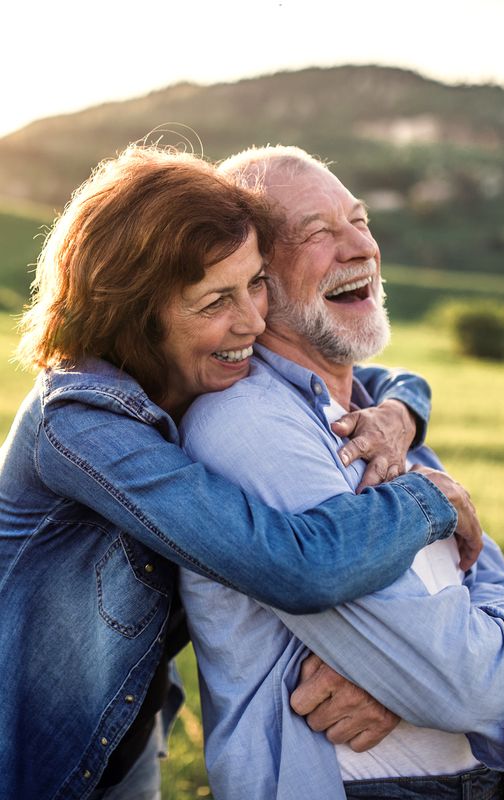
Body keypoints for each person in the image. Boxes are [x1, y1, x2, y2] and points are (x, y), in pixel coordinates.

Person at [0, 144, 475, 800]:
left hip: (124, 741)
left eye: (253, 281)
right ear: (137, 314)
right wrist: (429, 499)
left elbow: (368, 376)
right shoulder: (79, 424)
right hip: (31, 763)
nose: (252, 320)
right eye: (214, 300)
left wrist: (399, 412)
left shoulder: (186, 371)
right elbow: (292, 566)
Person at [179, 145, 504, 799]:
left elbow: (469, 622)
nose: (358, 248)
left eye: (359, 220)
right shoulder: (248, 426)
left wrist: (416, 682)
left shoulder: (376, 419)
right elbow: (465, 687)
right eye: (317, 233)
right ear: (255, 278)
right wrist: (434, 679)